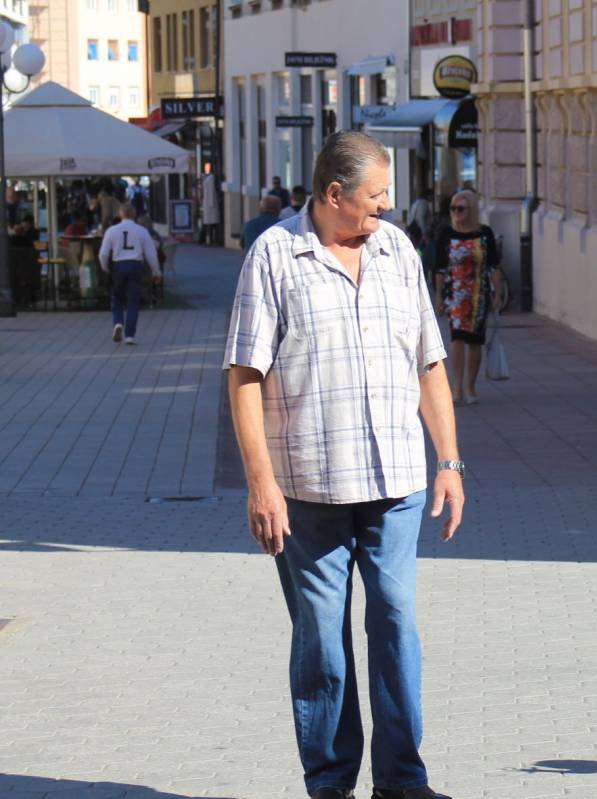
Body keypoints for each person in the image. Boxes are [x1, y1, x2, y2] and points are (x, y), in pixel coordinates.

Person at [224, 130, 462, 799]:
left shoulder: (397, 250)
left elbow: (429, 362)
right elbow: (244, 376)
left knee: (395, 622)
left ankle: (402, 781)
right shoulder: (274, 254)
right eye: (376, 195)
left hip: (395, 482)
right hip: (308, 487)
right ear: (334, 194)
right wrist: (261, 483)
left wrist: (449, 460)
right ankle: (330, 784)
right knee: (322, 642)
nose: (386, 206)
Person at [434, 190, 501, 405]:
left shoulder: (484, 233)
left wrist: (497, 293)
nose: (456, 212)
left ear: (471, 210)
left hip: (478, 294)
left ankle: (471, 386)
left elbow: (493, 266)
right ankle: (457, 387)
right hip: (454, 294)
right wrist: (438, 297)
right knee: (457, 338)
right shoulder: (446, 234)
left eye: (461, 208)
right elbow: (440, 268)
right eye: (453, 208)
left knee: (475, 341)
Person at [99, 204, 162, 346]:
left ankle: (118, 323)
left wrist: (105, 267)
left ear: (120, 214)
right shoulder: (142, 231)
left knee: (117, 298)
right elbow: (151, 254)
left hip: (118, 265)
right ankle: (130, 336)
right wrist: (156, 271)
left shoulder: (112, 231)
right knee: (133, 301)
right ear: (134, 215)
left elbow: (103, 253)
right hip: (135, 265)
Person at [200, 163, 220, 245]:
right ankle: (209, 240)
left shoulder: (211, 178)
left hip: (211, 203)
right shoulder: (205, 177)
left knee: (212, 223)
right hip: (207, 203)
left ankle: (213, 240)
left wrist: (211, 203)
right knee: (209, 223)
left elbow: (211, 191)